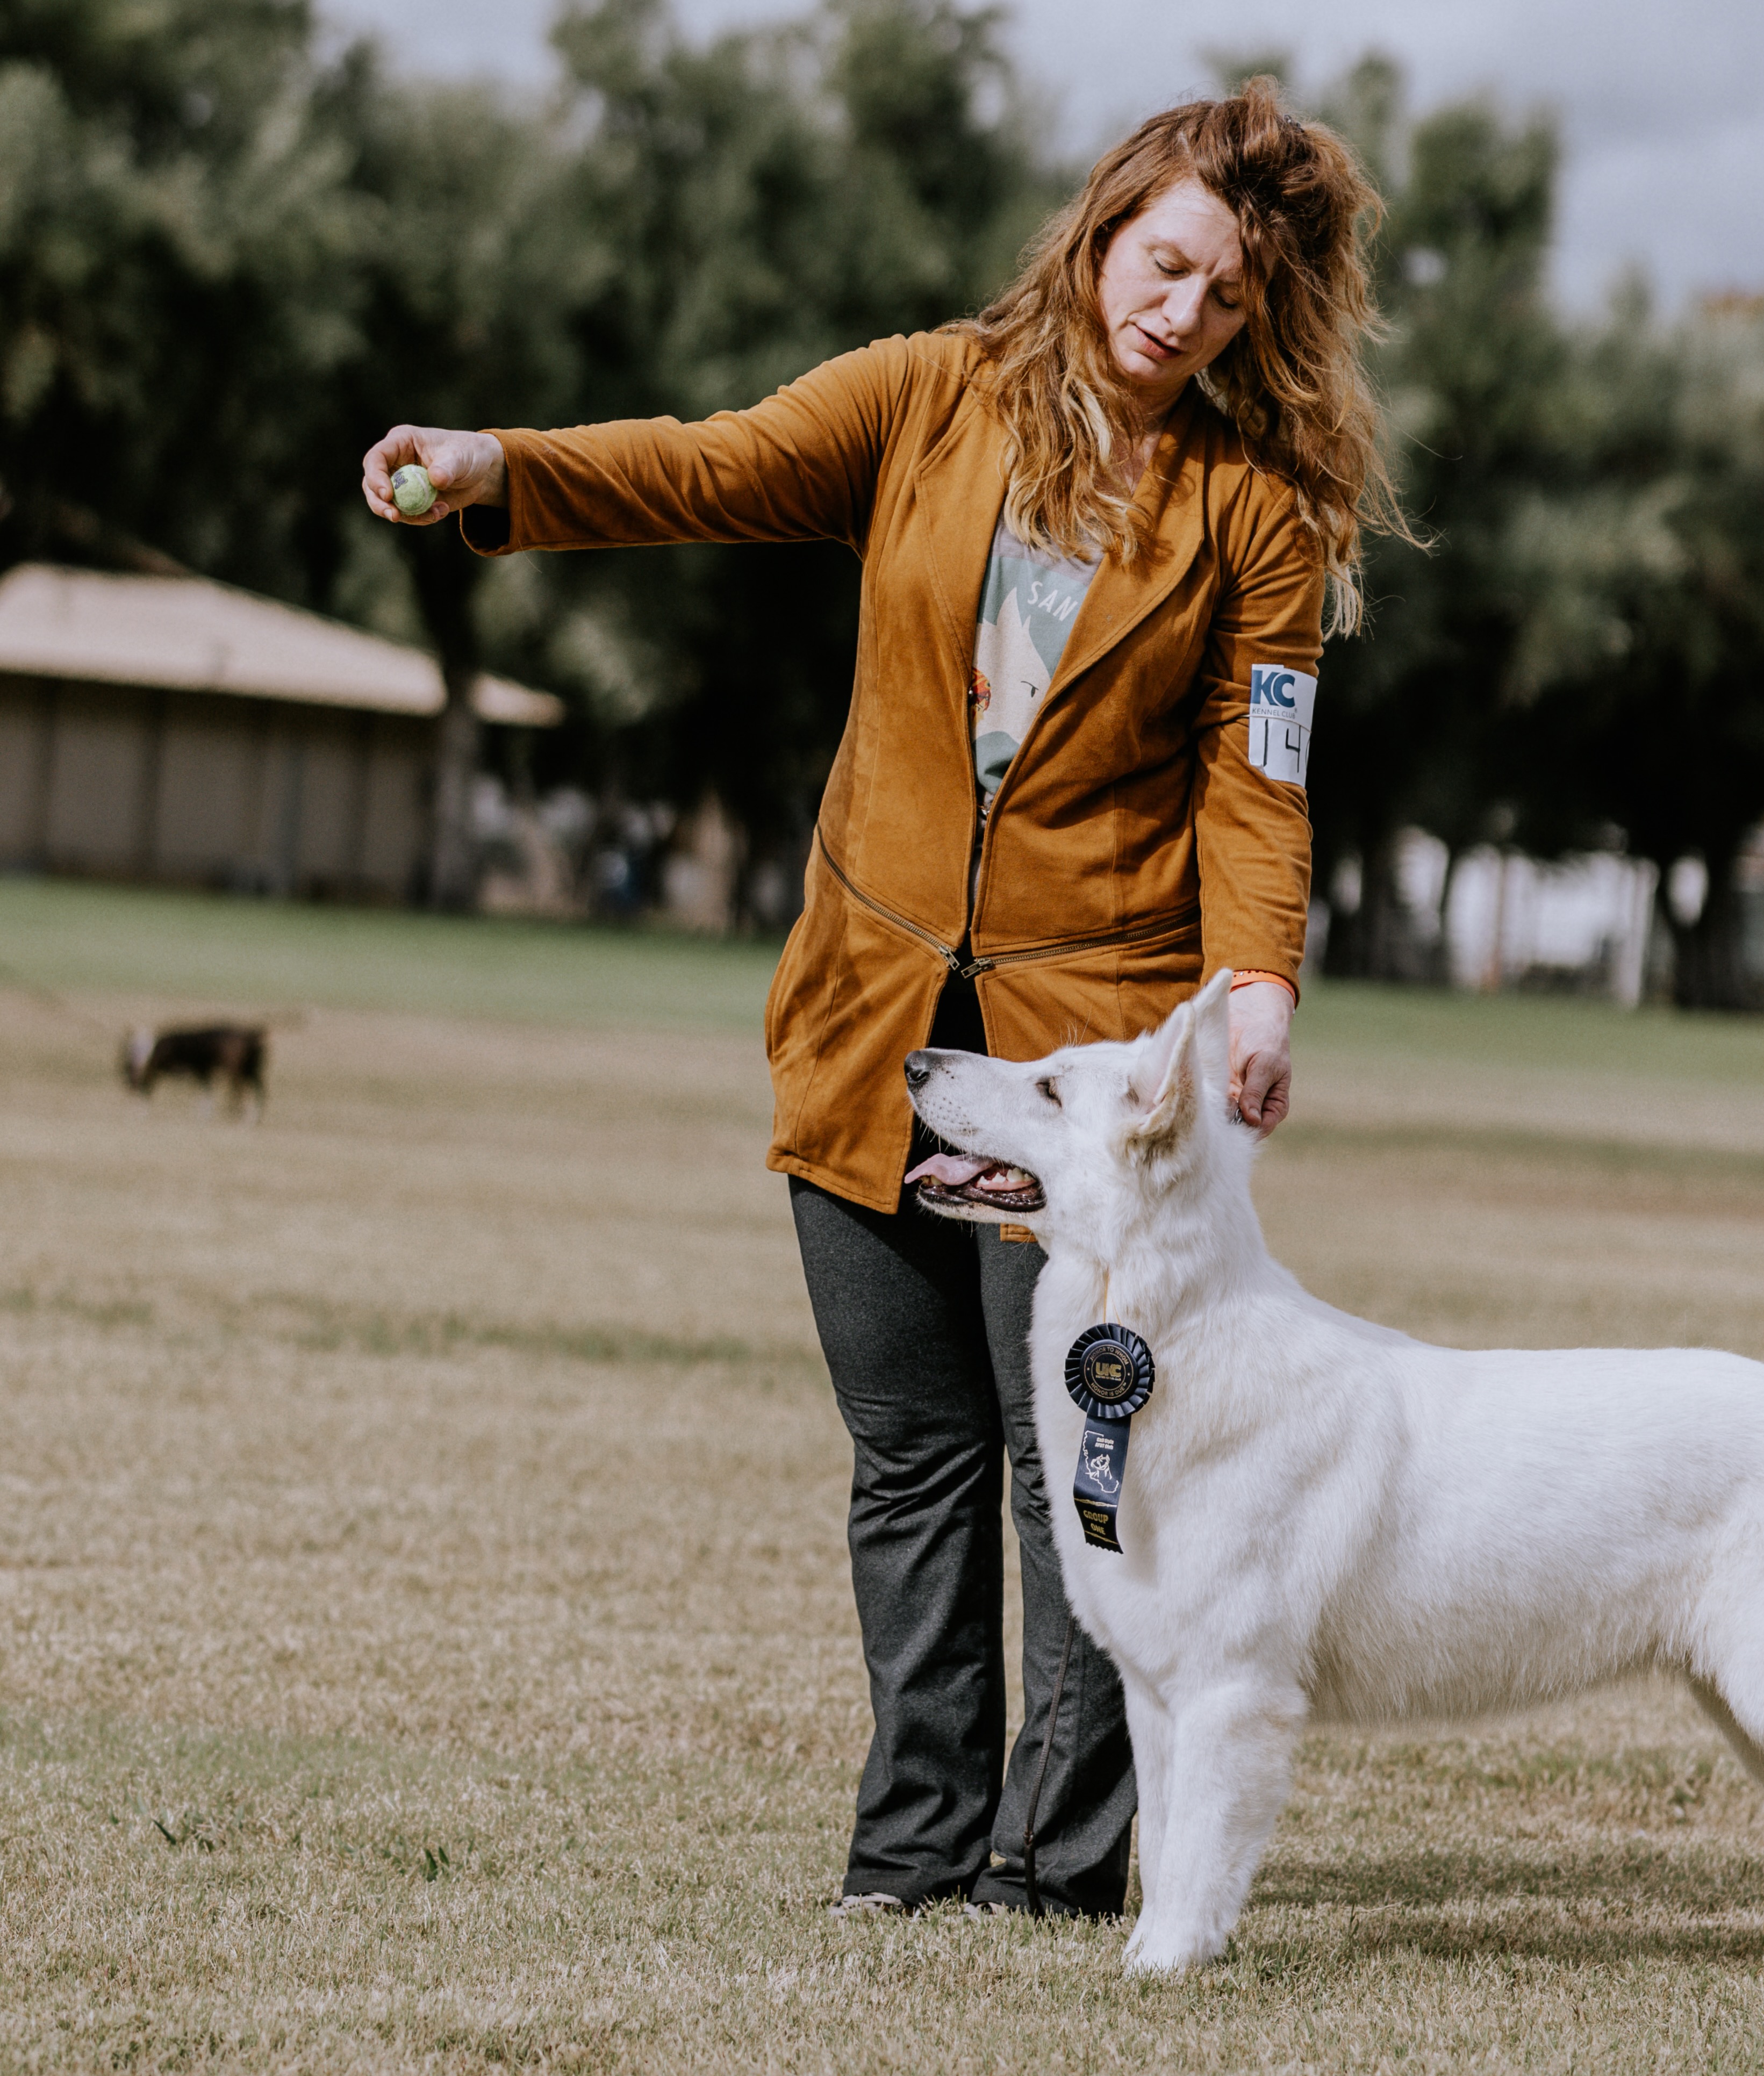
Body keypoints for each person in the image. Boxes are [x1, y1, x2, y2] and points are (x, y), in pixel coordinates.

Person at [362, 80, 1399, 1919]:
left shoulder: (1256, 520)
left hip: (1091, 1071)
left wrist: (1255, 985)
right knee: (910, 1449)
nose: (1184, 315)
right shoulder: (928, 396)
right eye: (1164, 266)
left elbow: (1261, 782)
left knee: (1064, 1460)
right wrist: (499, 467)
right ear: (1099, 236)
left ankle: (1058, 1863)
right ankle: (910, 1855)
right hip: (869, 1026)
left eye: (1229, 299)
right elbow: (712, 464)